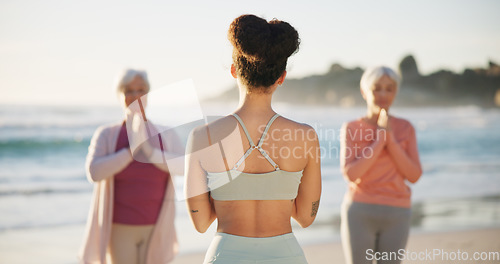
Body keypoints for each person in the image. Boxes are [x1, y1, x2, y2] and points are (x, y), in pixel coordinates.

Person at [184, 14, 322, 264]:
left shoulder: (202, 137)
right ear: (281, 77)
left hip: (224, 255)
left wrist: (230, 193)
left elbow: (201, 222)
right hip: (286, 256)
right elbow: (305, 217)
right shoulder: (306, 137)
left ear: (234, 71)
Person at [79, 69, 184, 264]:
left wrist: (150, 152)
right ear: (120, 95)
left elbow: (185, 167)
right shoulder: (107, 134)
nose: (136, 96)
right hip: (120, 228)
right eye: (129, 90)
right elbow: (94, 172)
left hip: (157, 227)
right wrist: (130, 151)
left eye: (141, 90)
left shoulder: (165, 134)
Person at [339, 66, 423, 264]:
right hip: (360, 211)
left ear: (396, 92)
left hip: (398, 213)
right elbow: (351, 173)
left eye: (389, 88)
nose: (383, 94)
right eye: (377, 88)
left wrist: (390, 139)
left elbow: (414, 175)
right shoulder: (351, 127)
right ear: (364, 91)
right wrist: (380, 139)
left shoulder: (405, 127)